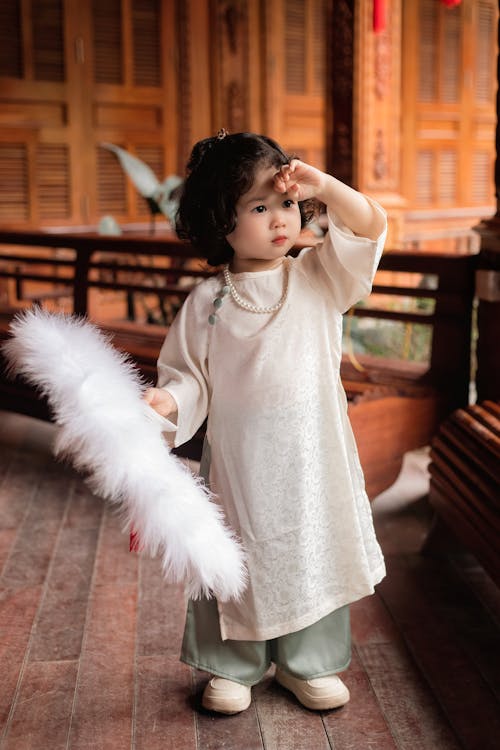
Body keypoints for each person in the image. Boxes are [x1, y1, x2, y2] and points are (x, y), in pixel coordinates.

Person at [144, 131, 387, 714]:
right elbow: (190, 378)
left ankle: (310, 662)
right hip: (240, 461)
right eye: (258, 207)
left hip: (312, 454)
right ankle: (235, 663)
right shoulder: (209, 301)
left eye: (286, 204)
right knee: (240, 549)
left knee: (311, 546)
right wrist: (168, 403)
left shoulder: (318, 277)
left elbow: (370, 226)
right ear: (219, 221)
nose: (280, 220)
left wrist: (323, 187)